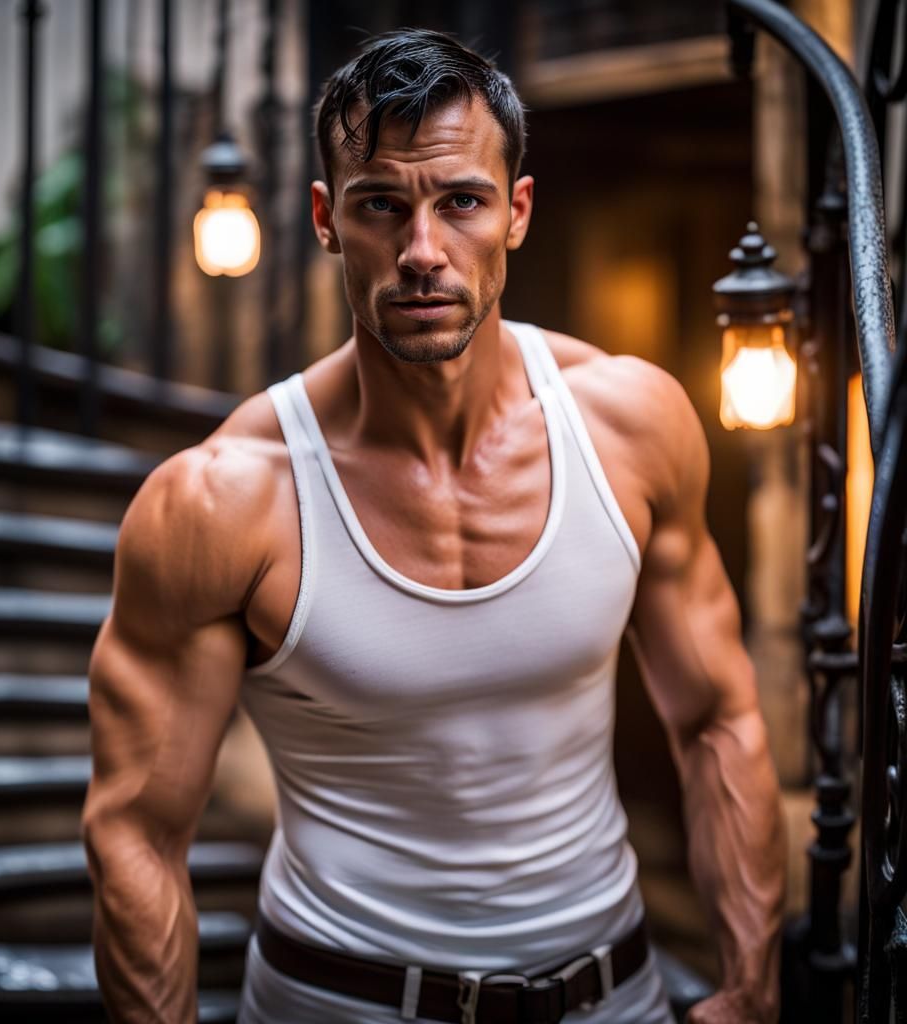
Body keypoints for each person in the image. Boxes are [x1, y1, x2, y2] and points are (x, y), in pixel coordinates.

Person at [82, 27, 786, 1024]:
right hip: (334, 1002)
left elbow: (716, 717)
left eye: (461, 201)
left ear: (517, 213)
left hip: (611, 997)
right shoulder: (223, 499)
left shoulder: (630, 426)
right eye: (381, 205)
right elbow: (138, 831)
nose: (422, 252)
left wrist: (753, 986)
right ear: (327, 220)